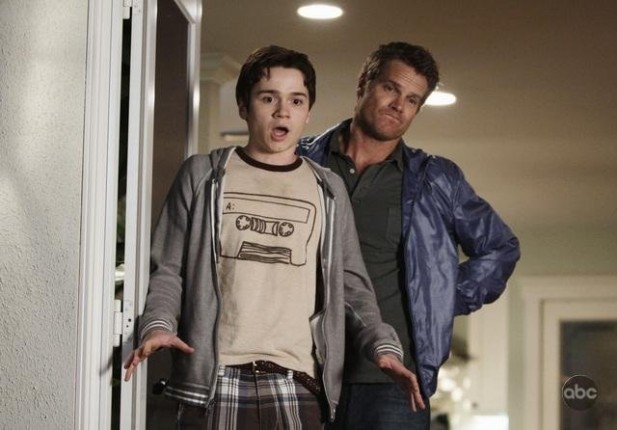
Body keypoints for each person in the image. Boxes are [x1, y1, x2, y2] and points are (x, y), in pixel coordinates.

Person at [124, 45, 423, 429]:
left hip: (296, 384)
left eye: (296, 100)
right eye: (269, 98)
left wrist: (382, 345)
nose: (283, 111)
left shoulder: (327, 189)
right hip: (214, 381)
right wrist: (159, 324)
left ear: (307, 112)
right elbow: (168, 269)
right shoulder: (203, 176)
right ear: (244, 106)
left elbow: (352, 286)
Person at [297, 41, 521, 429]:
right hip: (302, 368)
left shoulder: (436, 179)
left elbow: (500, 248)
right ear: (364, 84)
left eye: (413, 100)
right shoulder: (300, 160)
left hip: (393, 381)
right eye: (391, 88)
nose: (399, 106)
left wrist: (439, 297)